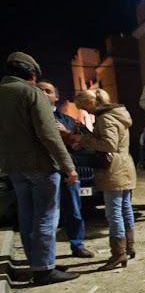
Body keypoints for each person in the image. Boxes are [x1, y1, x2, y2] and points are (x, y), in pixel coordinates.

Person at [0, 52, 79, 285]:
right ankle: (44, 269)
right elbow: (49, 135)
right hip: (40, 165)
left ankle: (38, 263)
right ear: (32, 75)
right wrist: (68, 166)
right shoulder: (31, 93)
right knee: (45, 216)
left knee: (26, 216)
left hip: (13, 166)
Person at [67, 89, 136, 271]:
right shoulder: (118, 114)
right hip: (125, 165)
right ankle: (129, 247)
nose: (86, 112)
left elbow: (109, 144)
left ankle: (118, 253)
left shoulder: (105, 118)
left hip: (113, 168)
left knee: (113, 213)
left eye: (84, 108)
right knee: (125, 208)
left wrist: (84, 140)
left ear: (91, 103)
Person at [37, 80, 94, 258]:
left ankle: (77, 245)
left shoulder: (69, 120)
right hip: (43, 172)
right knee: (45, 215)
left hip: (68, 172)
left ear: (56, 97)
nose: (45, 94)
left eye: (48, 91)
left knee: (74, 211)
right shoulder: (33, 119)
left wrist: (68, 135)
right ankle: (45, 254)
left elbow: (87, 141)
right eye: (40, 91)